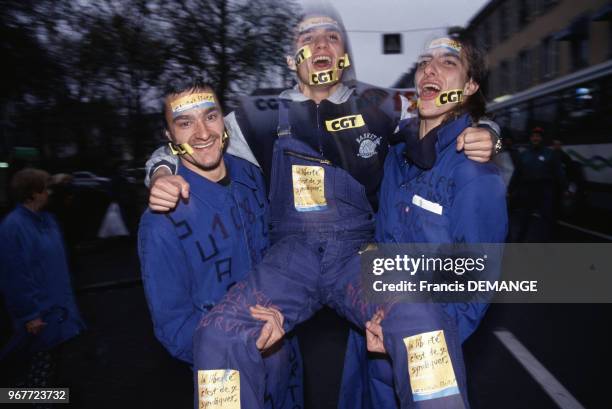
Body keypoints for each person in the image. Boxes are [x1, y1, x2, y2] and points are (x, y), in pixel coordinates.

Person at [145, 4, 498, 408]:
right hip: (289, 259)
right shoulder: (256, 115)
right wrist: (158, 173)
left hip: (357, 254)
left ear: (344, 53)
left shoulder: (380, 105)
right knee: (219, 335)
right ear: (290, 57)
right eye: (307, 37)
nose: (320, 44)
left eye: (331, 36)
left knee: (421, 322)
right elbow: (194, 131)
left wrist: (490, 131)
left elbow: (446, 110)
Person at [354, 33, 508, 408]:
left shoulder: (474, 173)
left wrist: (410, 336)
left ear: (469, 86)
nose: (430, 69)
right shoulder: (396, 157)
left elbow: (474, 284)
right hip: (374, 341)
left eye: (448, 63)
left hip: (427, 349)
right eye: (425, 62)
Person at [137, 77, 303, 409]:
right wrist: (241, 340)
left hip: (285, 351)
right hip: (223, 372)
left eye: (210, 116)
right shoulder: (160, 221)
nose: (202, 133)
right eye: (185, 123)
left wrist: (284, 313)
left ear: (222, 119)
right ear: (170, 137)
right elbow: (172, 326)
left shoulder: (250, 175)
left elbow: (277, 255)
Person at [0, 168, 85, 388]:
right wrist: (29, 315)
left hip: (57, 309)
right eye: (46, 188)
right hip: (40, 316)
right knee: (40, 374)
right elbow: (14, 276)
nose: (50, 192)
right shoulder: (13, 226)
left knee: (49, 371)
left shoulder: (47, 219)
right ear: (33, 193)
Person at [509, 127, 565, 242]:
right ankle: (518, 242)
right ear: (530, 138)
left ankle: (546, 244)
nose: (536, 138)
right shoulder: (524, 155)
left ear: (542, 139)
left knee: (546, 219)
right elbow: (517, 173)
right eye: (534, 136)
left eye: (538, 136)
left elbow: (559, 171)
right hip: (528, 189)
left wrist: (566, 187)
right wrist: (510, 189)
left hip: (545, 190)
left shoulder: (550, 154)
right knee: (525, 217)